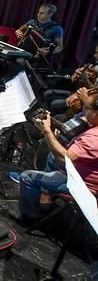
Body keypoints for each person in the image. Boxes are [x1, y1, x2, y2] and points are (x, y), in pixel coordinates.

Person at [10, 89, 98, 223]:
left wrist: (47, 132)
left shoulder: (94, 138)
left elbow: (65, 158)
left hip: (81, 184)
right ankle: (46, 196)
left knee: (27, 177)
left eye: (86, 108)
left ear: (96, 114)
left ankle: (31, 215)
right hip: (78, 171)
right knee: (52, 156)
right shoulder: (94, 128)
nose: (83, 111)